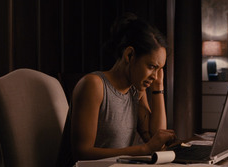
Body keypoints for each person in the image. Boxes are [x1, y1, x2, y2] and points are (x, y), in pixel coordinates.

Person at [57, 13, 176, 167]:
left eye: (159, 69)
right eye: (152, 66)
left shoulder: (136, 91)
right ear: (129, 55)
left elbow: (156, 139)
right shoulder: (93, 85)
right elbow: (82, 153)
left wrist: (158, 88)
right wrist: (144, 149)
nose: (155, 75)